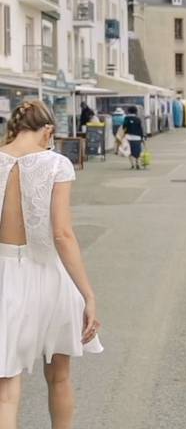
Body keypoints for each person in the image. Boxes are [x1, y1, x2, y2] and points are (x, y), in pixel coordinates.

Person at [0, 100, 103, 427]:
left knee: (5, 388)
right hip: (49, 277)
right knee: (59, 376)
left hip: (5, 277)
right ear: (47, 130)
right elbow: (62, 234)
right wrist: (88, 294)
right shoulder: (57, 164)